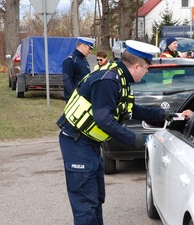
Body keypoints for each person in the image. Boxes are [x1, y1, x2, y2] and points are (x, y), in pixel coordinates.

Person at [56, 40, 177, 225]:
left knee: (95, 199)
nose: (146, 74)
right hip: (77, 143)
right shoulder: (109, 80)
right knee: (85, 204)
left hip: (89, 143)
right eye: (146, 69)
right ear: (137, 66)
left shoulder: (119, 76)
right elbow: (103, 119)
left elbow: (130, 108)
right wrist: (135, 139)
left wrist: (163, 114)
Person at [62, 37, 95, 102]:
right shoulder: (70, 60)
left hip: (84, 97)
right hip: (74, 99)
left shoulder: (84, 60)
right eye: (89, 48)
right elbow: (67, 81)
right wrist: (75, 96)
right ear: (83, 46)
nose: (90, 51)